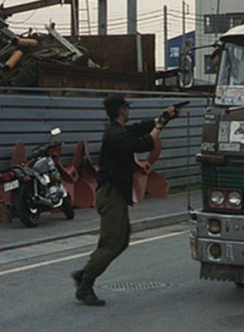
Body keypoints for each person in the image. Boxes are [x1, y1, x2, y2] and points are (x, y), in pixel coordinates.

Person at [71, 95, 181, 306]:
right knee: (112, 244)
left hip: (115, 195)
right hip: (111, 195)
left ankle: (84, 274)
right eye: (127, 108)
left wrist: (164, 117)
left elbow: (140, 128)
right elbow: (145, 143)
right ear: (122, 110)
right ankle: (85, 285)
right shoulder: (115, 135)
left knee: (121, 241)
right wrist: (162, 124)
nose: (128, 112)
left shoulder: (118, 130)